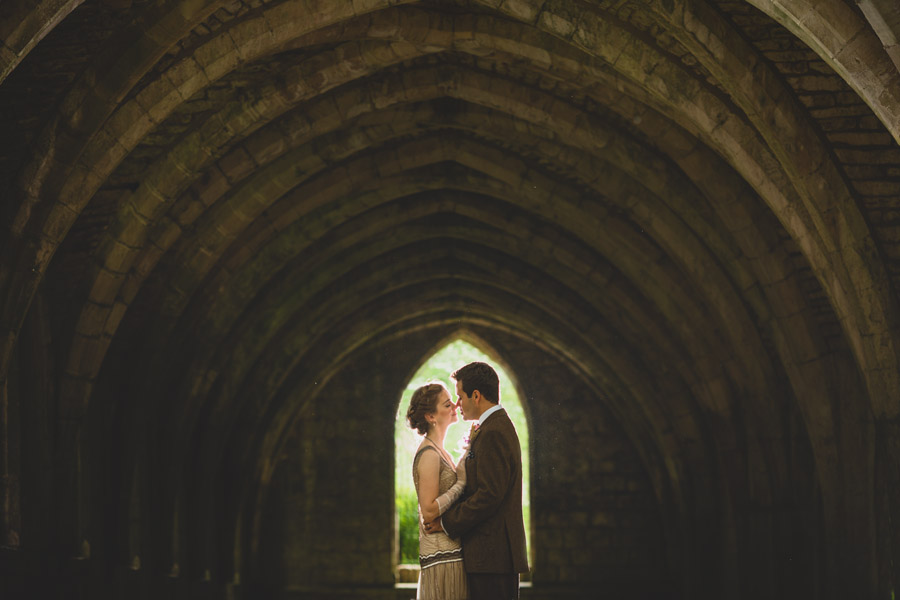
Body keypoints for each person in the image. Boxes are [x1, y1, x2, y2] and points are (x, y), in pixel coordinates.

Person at [423, 361, 529, 600]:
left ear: (477, 395)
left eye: (460, 396)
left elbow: (489, 495)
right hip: (491, 556)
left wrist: (446, 522)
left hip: (492, 557)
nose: (457, 404)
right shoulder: (492, 426)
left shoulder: (494, 432)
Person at [406, 382, 469, 600]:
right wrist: (461, 483)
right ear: (431, 416)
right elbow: (429, 511)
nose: (455, 406)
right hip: (441, 557)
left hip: (451, 552)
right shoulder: (429, 454)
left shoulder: (440, 450)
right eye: (447, 403)